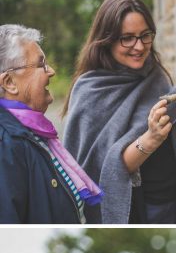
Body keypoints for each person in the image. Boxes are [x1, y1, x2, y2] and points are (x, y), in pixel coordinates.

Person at [63, 0, 176, 224]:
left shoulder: (154, 75)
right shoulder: (90, 90)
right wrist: (149, 139)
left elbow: (172, 139)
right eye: (127, 38)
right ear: (107, 39)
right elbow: (100, 169)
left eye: (145, 36)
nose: (139, 46)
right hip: (135, 212)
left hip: (171, 204)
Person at [0, 24, 102, 223]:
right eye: (41, 64)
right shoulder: (7, 144)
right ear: (10, 83)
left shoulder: (31, 132)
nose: (52, 71)